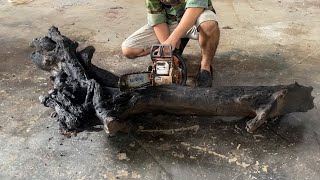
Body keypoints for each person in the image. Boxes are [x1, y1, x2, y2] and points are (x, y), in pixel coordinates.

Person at [121, 0, 220, 87]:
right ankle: (177, 50)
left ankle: (205, 67)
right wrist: (168, 52)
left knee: (208, 25)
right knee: (129, 50)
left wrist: (173, 39)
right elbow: (157, 19)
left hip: (196, 19)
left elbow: (195, 7)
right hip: (171, 22)